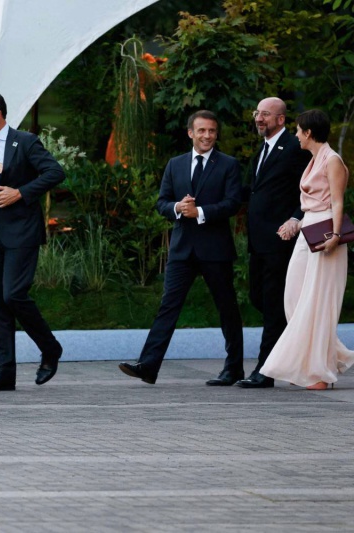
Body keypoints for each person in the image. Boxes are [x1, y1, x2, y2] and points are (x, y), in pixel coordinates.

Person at [119, 110, 245, 386]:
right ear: (190, 133)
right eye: (202, 130)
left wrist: (200, 212)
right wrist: (177, 207)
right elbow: (161, 202)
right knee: (168, 306)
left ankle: (234, 368)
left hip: (215, 249)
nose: (207, 136)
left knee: (227, 308)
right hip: (182, 249)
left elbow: (233, 203)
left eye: (212, 131)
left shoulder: (229, 164)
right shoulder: (175, 164)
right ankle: (148, 366)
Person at [0, 89, 65, 392]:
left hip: (22, 233)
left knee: (14, 295)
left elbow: (55, 173)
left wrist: (20, 193)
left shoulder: (26, 142)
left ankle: (50, 347)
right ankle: (4, 373)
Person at [260, 109, 354, 390]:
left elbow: (337, 202)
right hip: (308, 231)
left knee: (318, 302)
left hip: (325, 236)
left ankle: (319, 373)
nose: (296, 135)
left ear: (309, 132)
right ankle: (321, 360)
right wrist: (296, 223)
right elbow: (312, 204)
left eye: (299, 130)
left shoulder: (332, 160)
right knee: (294, 297)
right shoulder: (314, 159)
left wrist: (335, 235)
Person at [236, 97, 312, 389]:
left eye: (266, 114)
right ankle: (297, 352)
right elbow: (254, 191)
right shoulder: (263, 148)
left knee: (272, 304)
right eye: (257, 113)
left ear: (281, 119)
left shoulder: (294, 148)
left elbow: (307, 190)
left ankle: (265, 370)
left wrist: (295, 218)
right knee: (260, 298)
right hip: (259, 240)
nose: (259, 118)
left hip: (281, 239)